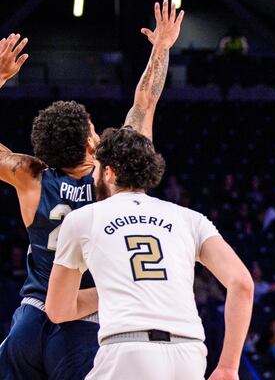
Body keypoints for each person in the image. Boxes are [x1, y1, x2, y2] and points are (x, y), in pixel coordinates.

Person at [0, 0, 183, 379]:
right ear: (89, 144)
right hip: (84, 320)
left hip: (30, 321)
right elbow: (144, 104)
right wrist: (161, 47)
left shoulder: (30, 176)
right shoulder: (113, 176)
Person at [45, 127, 254, 380]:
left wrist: (121, 288)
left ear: (109, 173)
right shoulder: (190, 218)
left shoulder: (82, 219)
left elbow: (58, 309)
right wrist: (229, 367)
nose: (92, 177)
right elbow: (242, 284)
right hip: (189, 353)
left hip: (127, 350)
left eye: (97, 169)